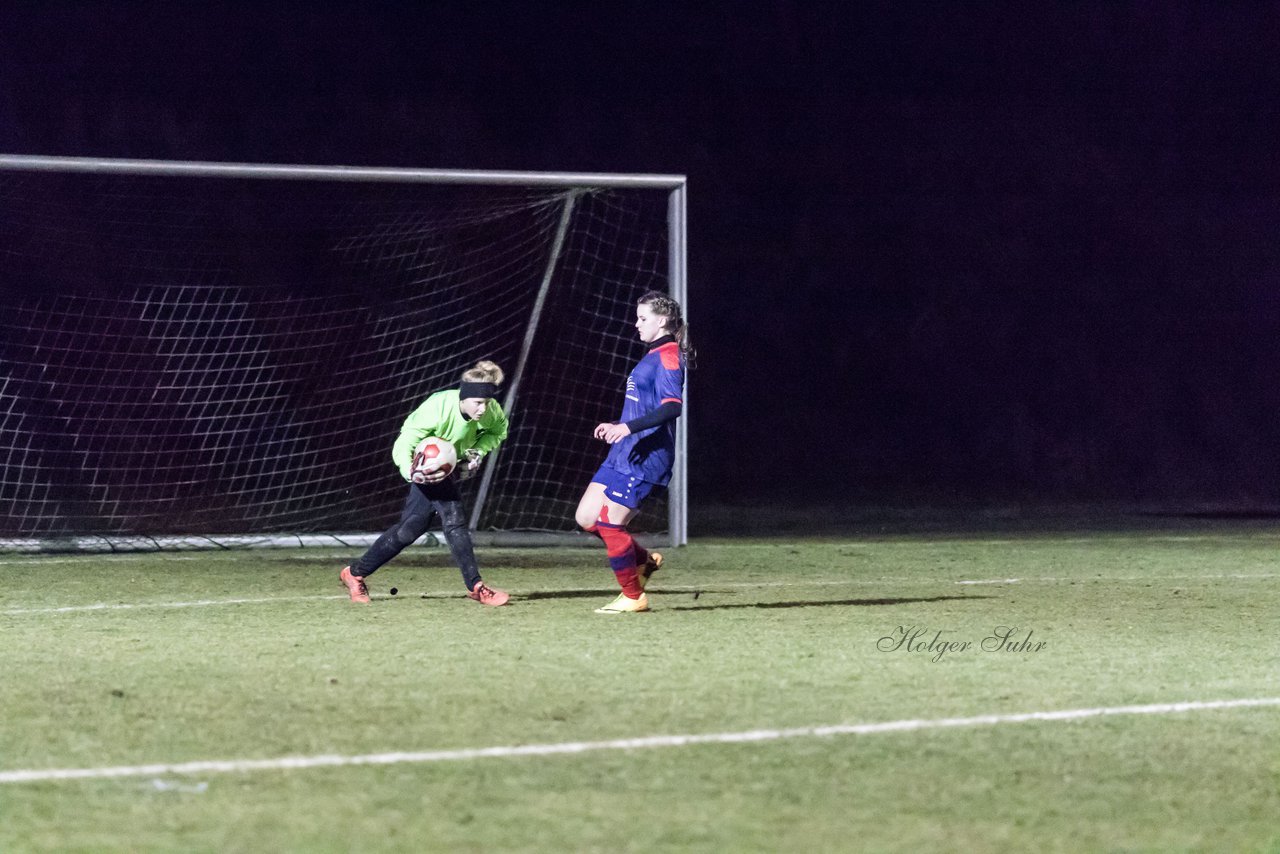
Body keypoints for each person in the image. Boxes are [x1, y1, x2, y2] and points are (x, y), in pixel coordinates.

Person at [339, 360, 511, 606]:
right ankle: (476, 586)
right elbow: (405, 440)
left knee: (409, 530)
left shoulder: (491, 410)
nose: (483, 409)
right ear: (463, 398)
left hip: (445, 470)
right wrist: (412, 472)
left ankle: (354, 573)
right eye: (478, 403)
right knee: (454, 518)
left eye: (486, 403)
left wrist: (477, 452)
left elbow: (497, 432)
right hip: (423, 470)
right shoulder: (437, 407)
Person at [574, 291, 691, 613]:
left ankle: (633, 596)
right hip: (625, 451)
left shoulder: (668, 355)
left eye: (643, 318)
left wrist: (627, 428)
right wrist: (619, 425)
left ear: (662, 320)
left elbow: (672, 408)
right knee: (586, 518)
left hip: (646, 457)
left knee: (610, 524)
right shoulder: (651, 355)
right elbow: (644, 407)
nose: (636, 324)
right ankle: (644, 560)